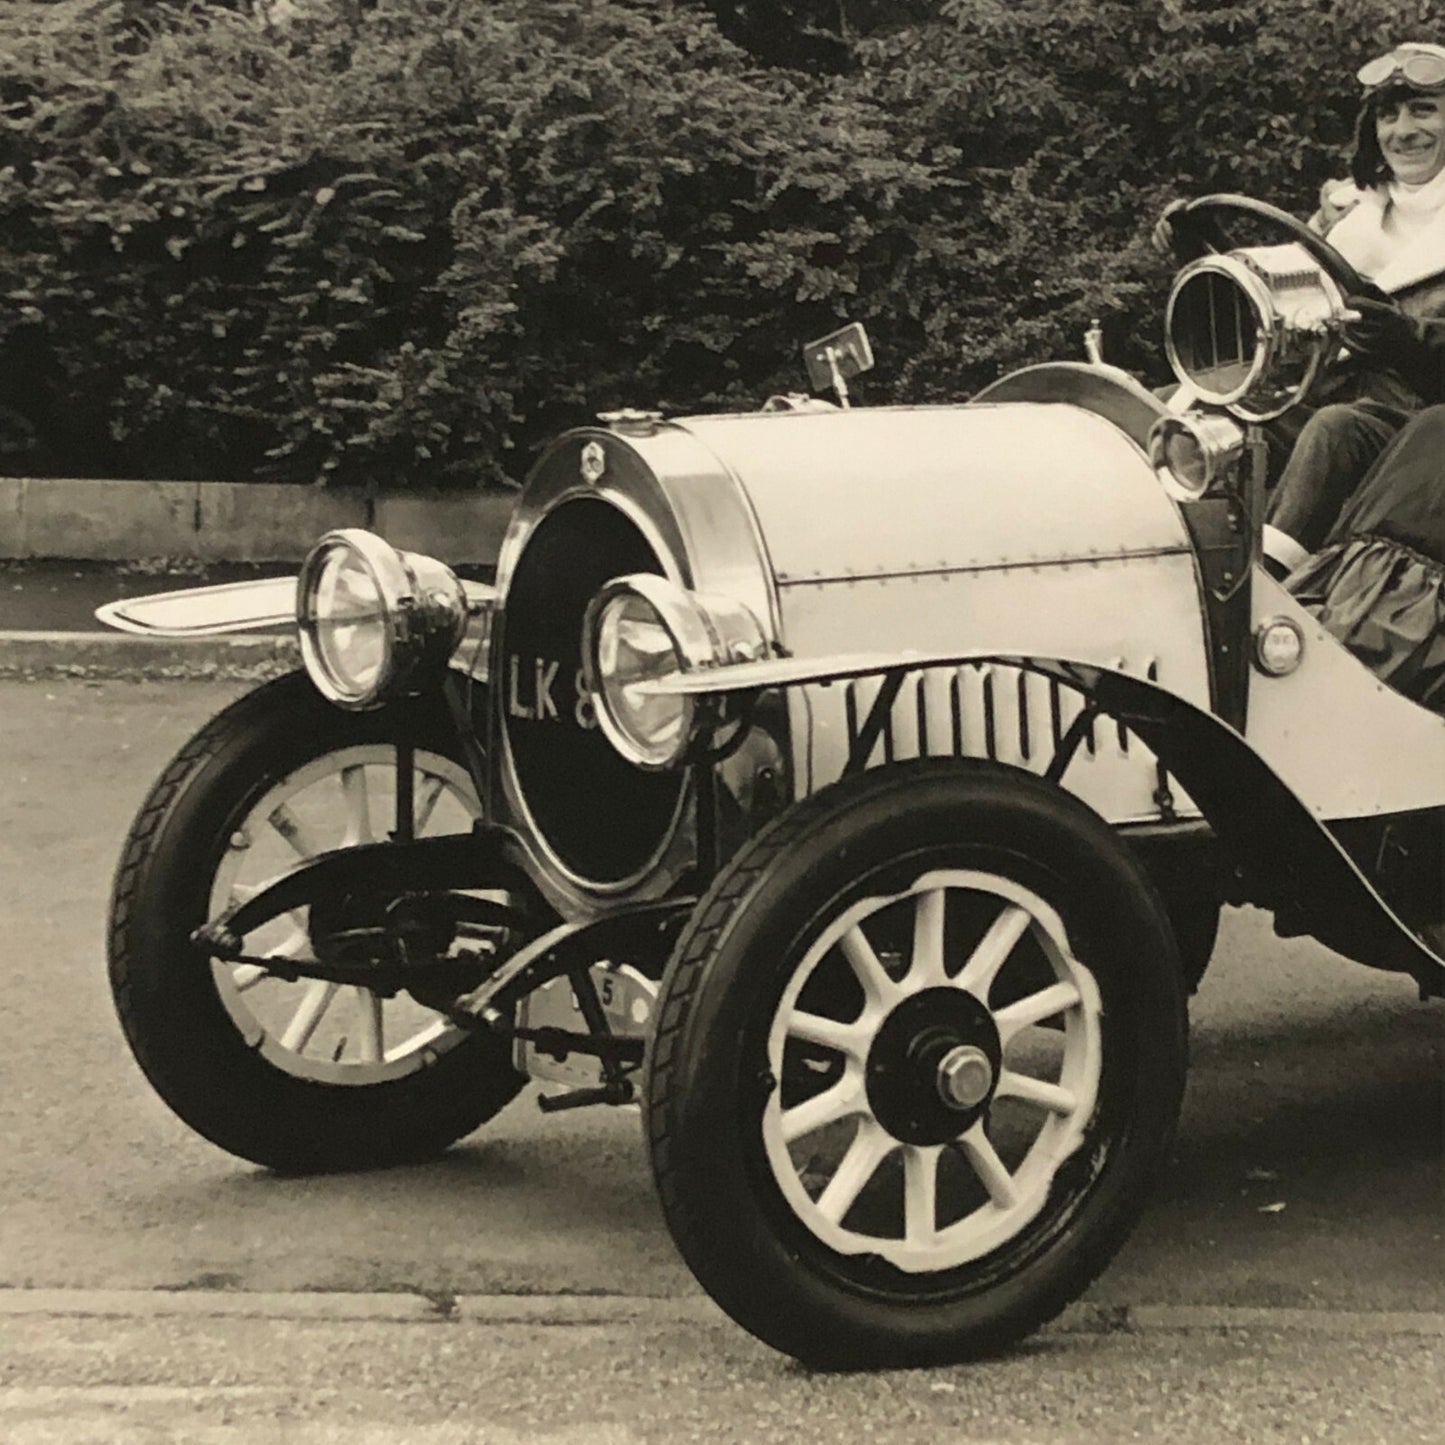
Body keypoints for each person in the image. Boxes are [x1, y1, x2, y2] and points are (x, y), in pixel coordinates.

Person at [1156, 41, 1445, 569]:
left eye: (1424, 109)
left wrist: (1406, 339)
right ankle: (1151, 553)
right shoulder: (1352, 216)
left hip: (1419, 426)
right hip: (1324, 392)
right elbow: (1278, 302)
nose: (1402, 130)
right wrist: (1201, 250)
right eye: (1388, 114)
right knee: (1182, 404)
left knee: (1335, 429)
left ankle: (1266, 586)